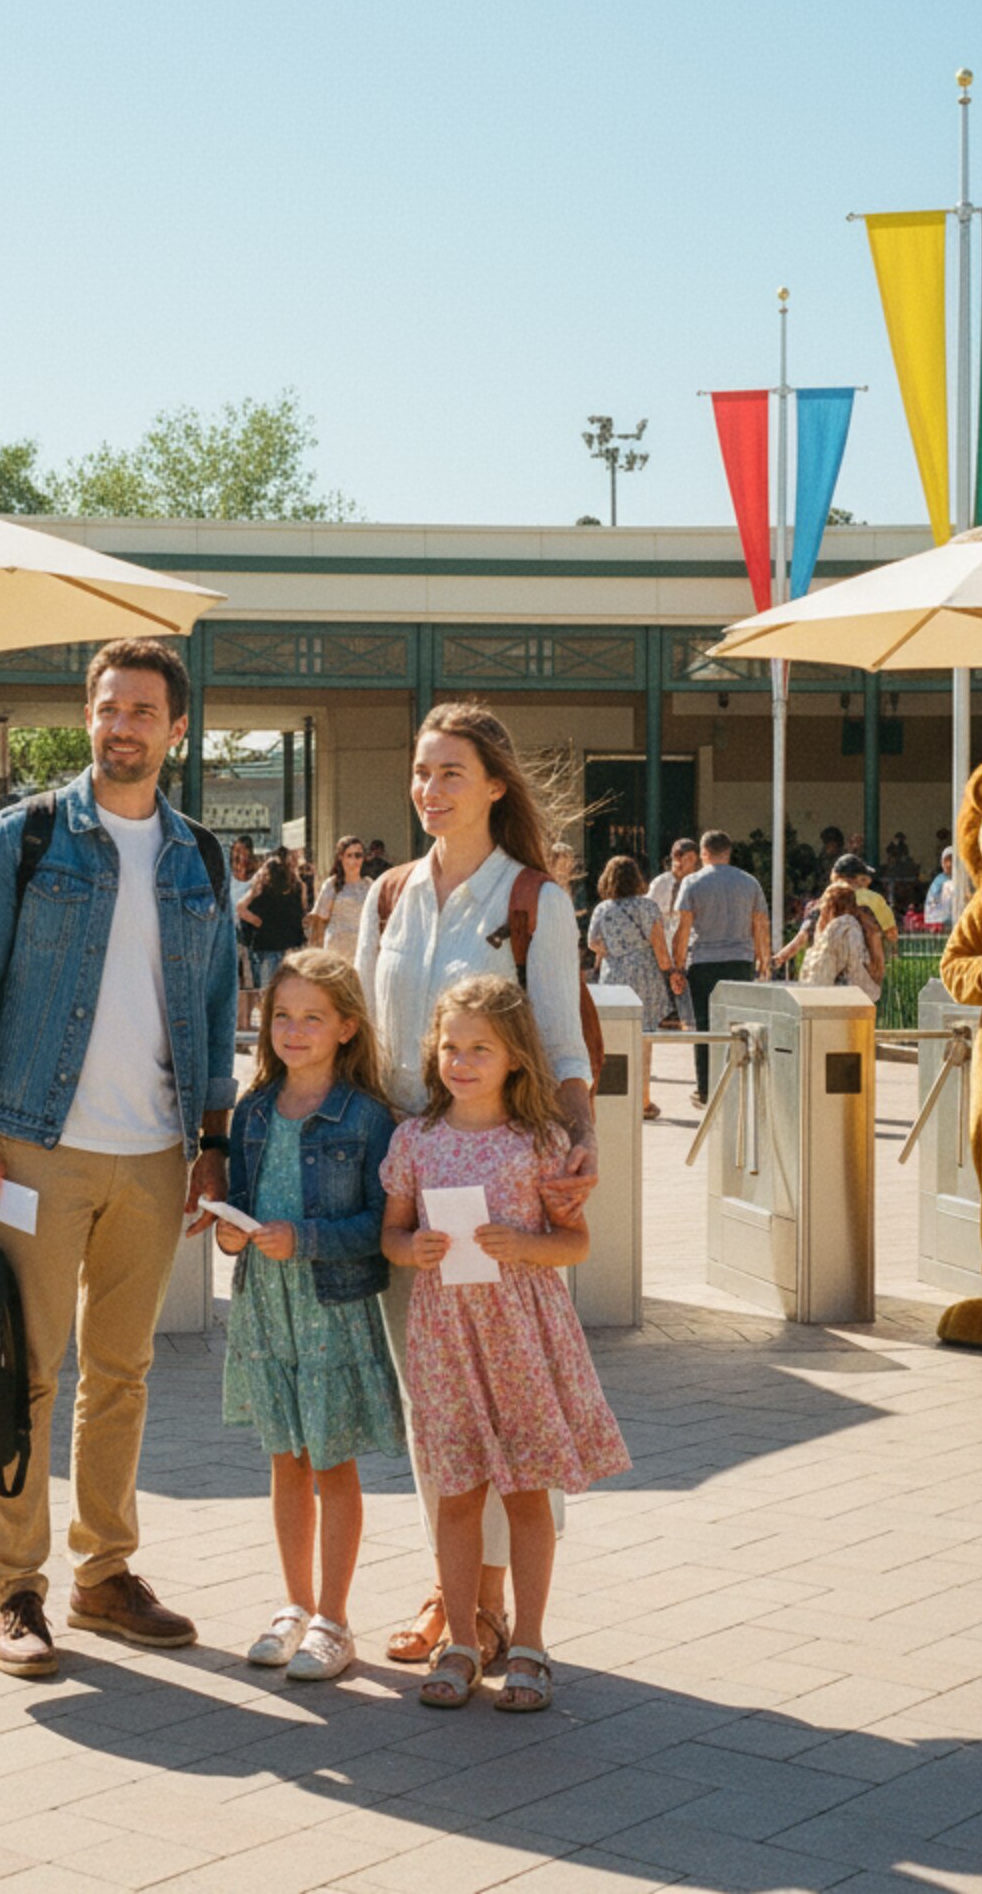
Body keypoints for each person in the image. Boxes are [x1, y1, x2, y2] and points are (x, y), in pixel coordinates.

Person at [0, 637, 238, 1679]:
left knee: (123, 1372)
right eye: (108, 707)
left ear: (176, 730)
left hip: (153, 1155)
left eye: (144, 710)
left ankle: (103, 1573)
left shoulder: (200, 855)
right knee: (23, 1370)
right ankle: (15, 1588)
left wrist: (209, 1147)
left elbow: (212, 1006)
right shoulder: (21, 836)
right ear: (88, 716)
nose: (122, 725)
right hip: (34, 1146)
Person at [354, 700, 596, 1677]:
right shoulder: (385, 893)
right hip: (411, 1177)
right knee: (437, 1400)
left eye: (450, 770)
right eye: (421, 770)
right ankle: (456, 1595)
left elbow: (560, 1038)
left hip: (502, 1184)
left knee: (512, 1396)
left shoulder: (532, 896)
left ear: (494, 783)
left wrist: (579, 1147)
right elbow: (358, 1032)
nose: (429, 788)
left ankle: (498, 1604)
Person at [381, 975, 630, 1714]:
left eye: (480, 1048)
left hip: (522, 1337)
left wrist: (524, 1241)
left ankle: (530, 1642)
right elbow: (390, 1234)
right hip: (445, 1338)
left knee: (526, 1493)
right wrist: (411, 1247)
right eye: (450, 1047)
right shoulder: (415, 1140)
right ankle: (461, 1638)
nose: (461, 1061)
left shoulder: (541, 1143)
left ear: (516, 1057)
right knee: (454, 1493)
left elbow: (575, 1244)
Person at [219, 951, 403, 1684]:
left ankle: (334, 1617)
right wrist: (232, 1231)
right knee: (285, 1458)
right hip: (266, 1305)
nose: (293, 1032)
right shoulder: (254, 1110)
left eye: (312, 1019)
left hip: (333, 1308)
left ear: (348, 1028)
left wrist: (308, 1239)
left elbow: (379, 1228)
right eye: (282, 1017)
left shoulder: (367, 1118)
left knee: (332, 1461)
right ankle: (293, 1605)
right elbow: (242, 1198)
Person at [672, 831, 769, 1105]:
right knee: (739, 1026)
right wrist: (763, 961)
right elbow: (760, 923)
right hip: (740, 961)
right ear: (729, 852)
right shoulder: (749, 883)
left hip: (704, 962)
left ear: (703, 853)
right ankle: (738, 1085)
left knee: (704, 1027)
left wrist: (677, 968)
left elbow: (683, 929)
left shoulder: (692, 882)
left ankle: (706, 1090)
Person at [586, 855, 674, 1119]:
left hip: (615, 975)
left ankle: (612, 1097)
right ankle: (644, 1100)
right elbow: (660, 946)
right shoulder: (648, 907)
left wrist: (614, 952)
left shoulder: (603, 909)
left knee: (612, 1036)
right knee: (645, 1037)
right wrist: (670, 971)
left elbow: (592, 943)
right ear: (637, 878)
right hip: (645, 974)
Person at [239, 848, 309, 988]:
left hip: (267, 945)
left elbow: (240, 909)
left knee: (267, 994)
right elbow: (303, 912)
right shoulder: (298, 886)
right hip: (292, 946)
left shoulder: (261, 889)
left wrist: (259, 923)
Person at [650, 839, 700, 1033]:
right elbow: (651, 916)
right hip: (666, 946)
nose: (681, 864)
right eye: (677, 859)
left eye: (688, 859)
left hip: (691, 944)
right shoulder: (660, 884)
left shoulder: (699, 884)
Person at [799, 882, 879, 993]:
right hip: (850, 994)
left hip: (836, 994)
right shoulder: (855, 926)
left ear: (831, 906)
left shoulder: (843, 927)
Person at [309, 835, 374, 961]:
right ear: (341, 857)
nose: (354, 861)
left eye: (358, 855)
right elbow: (320, 921)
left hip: (362, 948)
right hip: (336, 948)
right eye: (349, 855)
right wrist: (317, 953)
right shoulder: (331, 884)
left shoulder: (369, 884)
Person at [832, 852, 898, 967]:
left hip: (836, 958)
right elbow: (891, 932)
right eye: (865, 876)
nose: (869, 880)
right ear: (859, 878)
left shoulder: (829, 898)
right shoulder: (874, 898)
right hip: (869, 958)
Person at [228, 838, 260, 1024]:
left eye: (244, 851)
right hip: (230, 931)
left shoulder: (256, 878)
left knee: (250, 981)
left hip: (249, 933)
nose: (240, 856)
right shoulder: (227, 876)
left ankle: (246, 1022)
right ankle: (239, 1024)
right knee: (235, 981)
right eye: (236, 851)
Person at [922, 846, 957, 930]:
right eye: (945, 861)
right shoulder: (940, 880)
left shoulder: (959, 878)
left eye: (951, 860)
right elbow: (934, 902)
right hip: (940, 919)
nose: (948, 864)